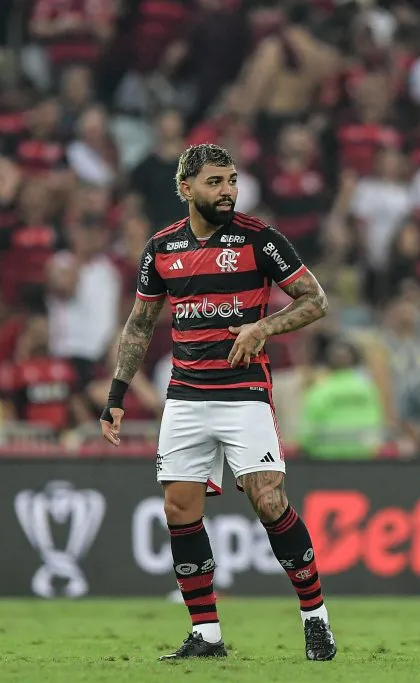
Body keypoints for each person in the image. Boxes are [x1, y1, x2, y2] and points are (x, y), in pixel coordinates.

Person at [99, 144, 335, 661]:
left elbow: (315, 299)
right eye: (214, 182)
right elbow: (140, 324)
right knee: (179, 509)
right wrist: (117, 394)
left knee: (268, 499)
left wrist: (263, 326)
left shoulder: (259, 238)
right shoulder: (161, 247)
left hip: (244, 391)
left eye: (231, 180)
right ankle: (206, 635)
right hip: (185, 395)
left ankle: (315, 619)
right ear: (186, 189)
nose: (227, 190)